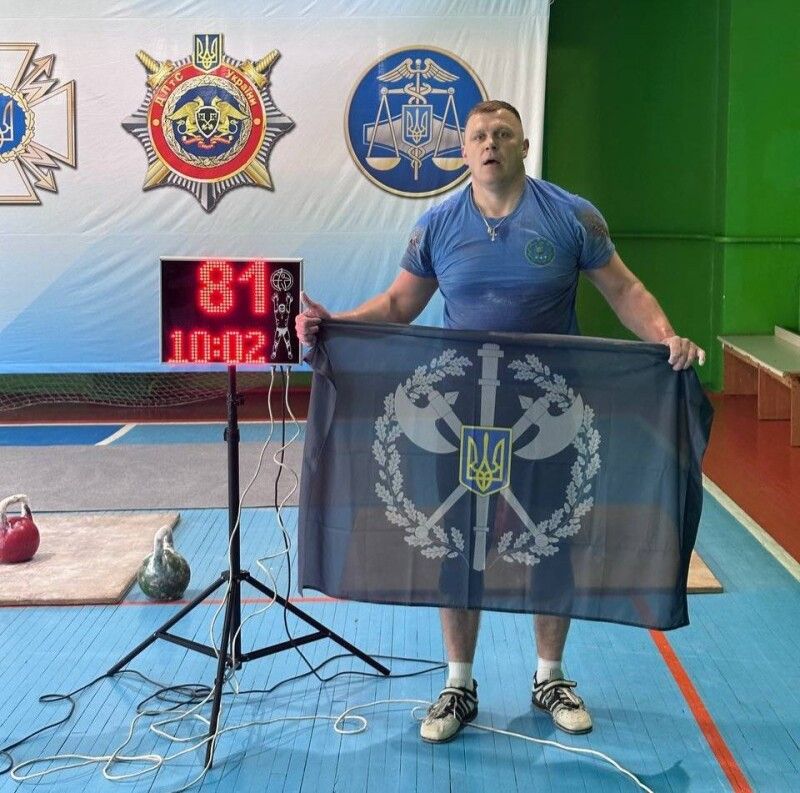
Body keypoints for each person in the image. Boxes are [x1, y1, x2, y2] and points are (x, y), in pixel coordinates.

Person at [296, 100, 705, 744]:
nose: (490, 144)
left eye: (503, 134)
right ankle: (458, 684)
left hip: (549, 413)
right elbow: (399, 305)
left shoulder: (571, 216)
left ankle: (550, 677)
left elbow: (625, 290)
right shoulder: (437, 226)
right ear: (463, 151)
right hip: (463, 420)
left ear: (523, 146)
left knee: (550, 541)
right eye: (479, 136)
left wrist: (666, 337)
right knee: (458, 547)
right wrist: (334, 323)